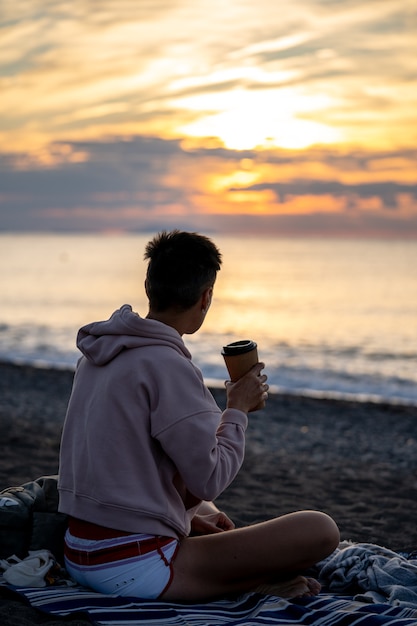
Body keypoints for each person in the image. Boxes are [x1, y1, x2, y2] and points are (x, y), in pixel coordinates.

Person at [58, 230, 339, 602]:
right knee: (320, 529)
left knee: (203, 510)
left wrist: (189, 520)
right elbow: (210, 477)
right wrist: (237, 408)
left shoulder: (96, 354)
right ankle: (248, 585)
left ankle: (216, 564)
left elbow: (126, 462)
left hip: (79, 548)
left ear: (148, 285)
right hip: (129, 567)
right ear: (206, 297)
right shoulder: (166, 366)